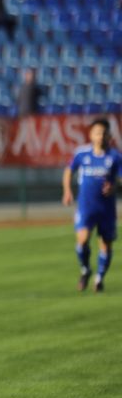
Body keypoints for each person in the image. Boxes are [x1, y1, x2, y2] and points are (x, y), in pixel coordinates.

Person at [62, 119, 119, 292]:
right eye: (97, 133)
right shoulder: (82, 154)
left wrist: (114, 186)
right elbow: (68, 170)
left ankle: (99, 278)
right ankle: (85, 269)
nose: (100, 136)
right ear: (91, 135)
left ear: (109, 135)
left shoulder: (115, 157)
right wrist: (67, 190)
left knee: (106, 244)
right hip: (86, 207)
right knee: (82, 239)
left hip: (107, 209)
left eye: (103, 133)